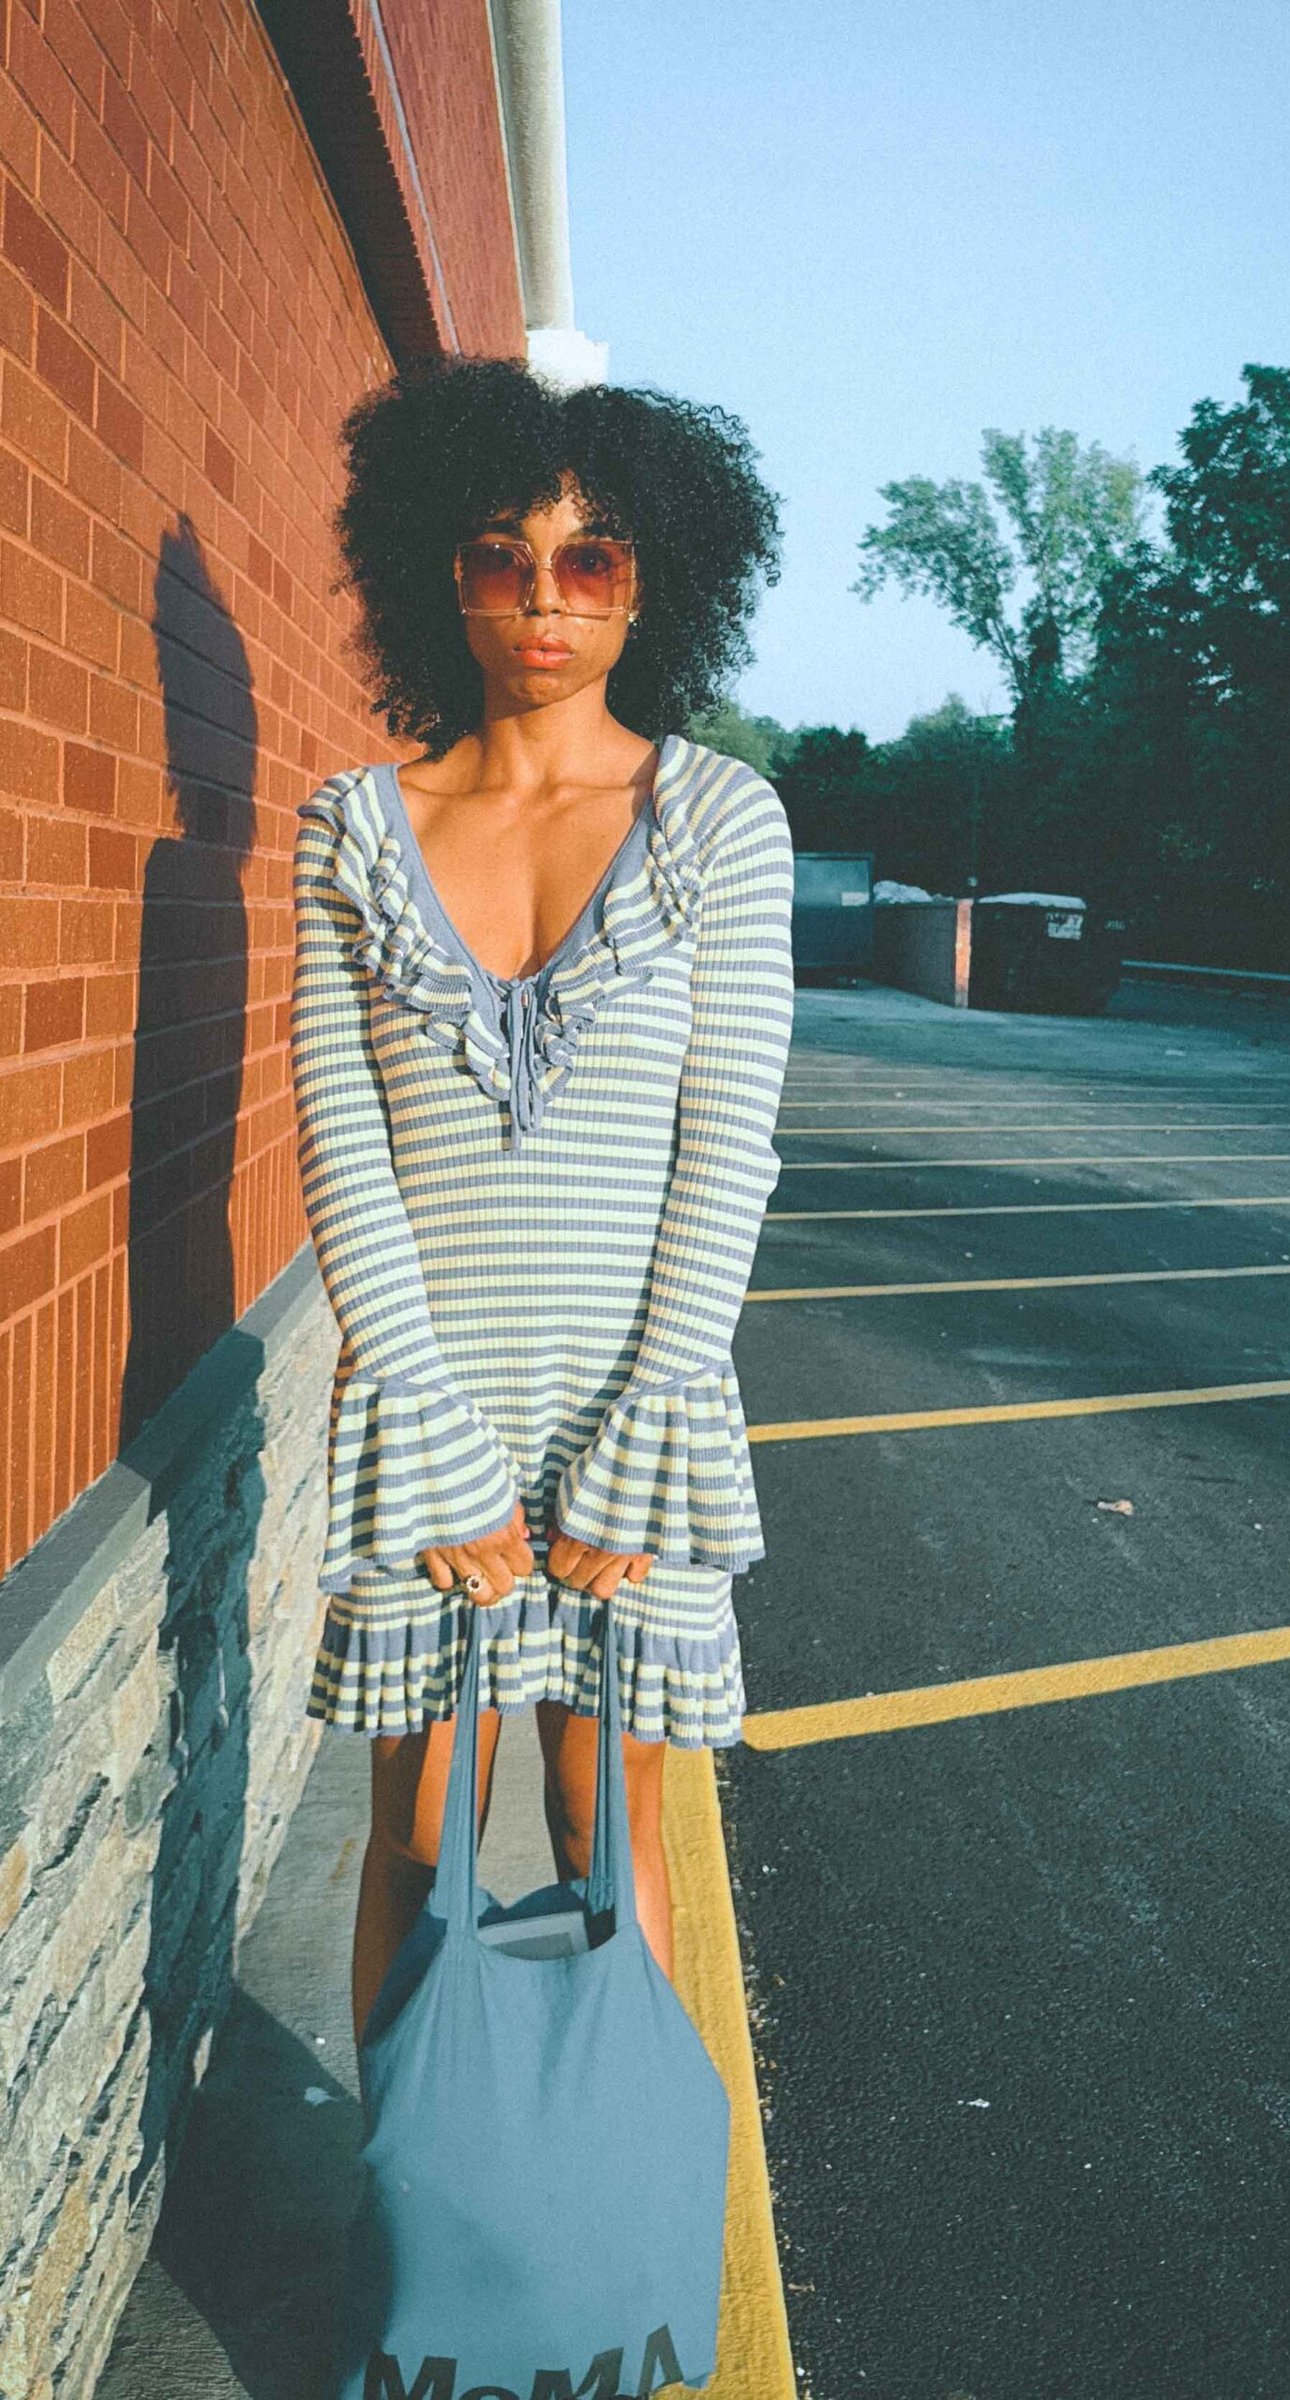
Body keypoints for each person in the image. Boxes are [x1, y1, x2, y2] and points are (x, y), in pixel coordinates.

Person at [289, 357, 792, 2044]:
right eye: (506, 556)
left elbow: (729, 1148)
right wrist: (419, 1420)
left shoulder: (720, 821)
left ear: (654, 579)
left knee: (603, 1829)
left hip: (625, 1412)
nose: (545, 603)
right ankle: (414, 2246)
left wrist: (653, 1430)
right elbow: (338, 1141)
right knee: (418, 1836)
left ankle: (616, 2250)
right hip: (432, 1415)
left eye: (592, 562)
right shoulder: (351, 828)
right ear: (447, 569)